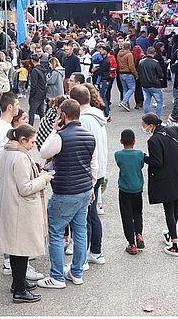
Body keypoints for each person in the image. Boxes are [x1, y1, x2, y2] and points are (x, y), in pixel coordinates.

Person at [37, 98, 97, 289]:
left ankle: (56, 276)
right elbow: (93, 165)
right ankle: (77, 272)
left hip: (65, 190)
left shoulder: (60, 136)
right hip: (84, 189)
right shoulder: (89, 136)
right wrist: (92, 187)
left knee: (55, 231)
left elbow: (44, 152)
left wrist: (55, 129)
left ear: (63, 115)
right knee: (80, 231)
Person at [0, 124, 52, 304]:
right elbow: (25, 187)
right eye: (32, 142)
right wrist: (43, 179)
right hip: (20, 208)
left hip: (10, 205)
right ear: (22, 140)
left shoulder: (4, 153)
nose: (33, 145)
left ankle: (18, 282)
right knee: (20, 250)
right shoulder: (20, 157)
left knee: (16, 249)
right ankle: (19, 290)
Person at [143, 113, 178, 257]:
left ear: (151, 125)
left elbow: (157, 162)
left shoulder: (153, 140)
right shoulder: (173, 130)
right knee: (175, 207)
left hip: (166, 180)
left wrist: (144, 158)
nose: (144, 128)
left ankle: (175, 243)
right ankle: (170, 233)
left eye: (144, 125)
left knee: (168, 210)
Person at [73, 84, 108, 266]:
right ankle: (95, 251)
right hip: (98, 169)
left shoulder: (84, 120)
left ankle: (84, 257)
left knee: (85, 216)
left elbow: (83, 147)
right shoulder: (97, 115)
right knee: (91, 213)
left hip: (89, 171)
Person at [115, 129, 146, 255]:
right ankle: (139, 234)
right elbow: (141, 165)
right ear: (134, 141)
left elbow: (120, 165)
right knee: (138, 212)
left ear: (121, 141)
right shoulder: (139, 154)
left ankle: (132, 244)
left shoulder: (118, 154)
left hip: (124, 189)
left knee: (126, 216)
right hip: (137, 188)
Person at [138, 46, 166, 117]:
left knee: (147, 102)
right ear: (154, 53)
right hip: (155, 84)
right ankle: (157, 118)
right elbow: (160, 74)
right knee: (159, 102)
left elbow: (139, 72)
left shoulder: (141, 62)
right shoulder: (155, 62)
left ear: (147, 52)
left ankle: (146, 118)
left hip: (145, 84)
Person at [117, 42, 138, 112]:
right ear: (130, 47)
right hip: (128, 73)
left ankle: (127, 105)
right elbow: (131, 66)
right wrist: (136, 74)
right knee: (132, 88)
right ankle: (124, 101)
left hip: (121, 73)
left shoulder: (119, 54)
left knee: (125, 89)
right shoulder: (129, 54)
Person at [28, 56, 48, 125]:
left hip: (36, 93)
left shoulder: (35, 71)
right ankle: (45, 125)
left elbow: (34, 85)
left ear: (32, 61)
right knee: (41, 111)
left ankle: (30, 127)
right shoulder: (43, 70)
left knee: (32, 112)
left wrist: (31, 95)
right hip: (42, 92)